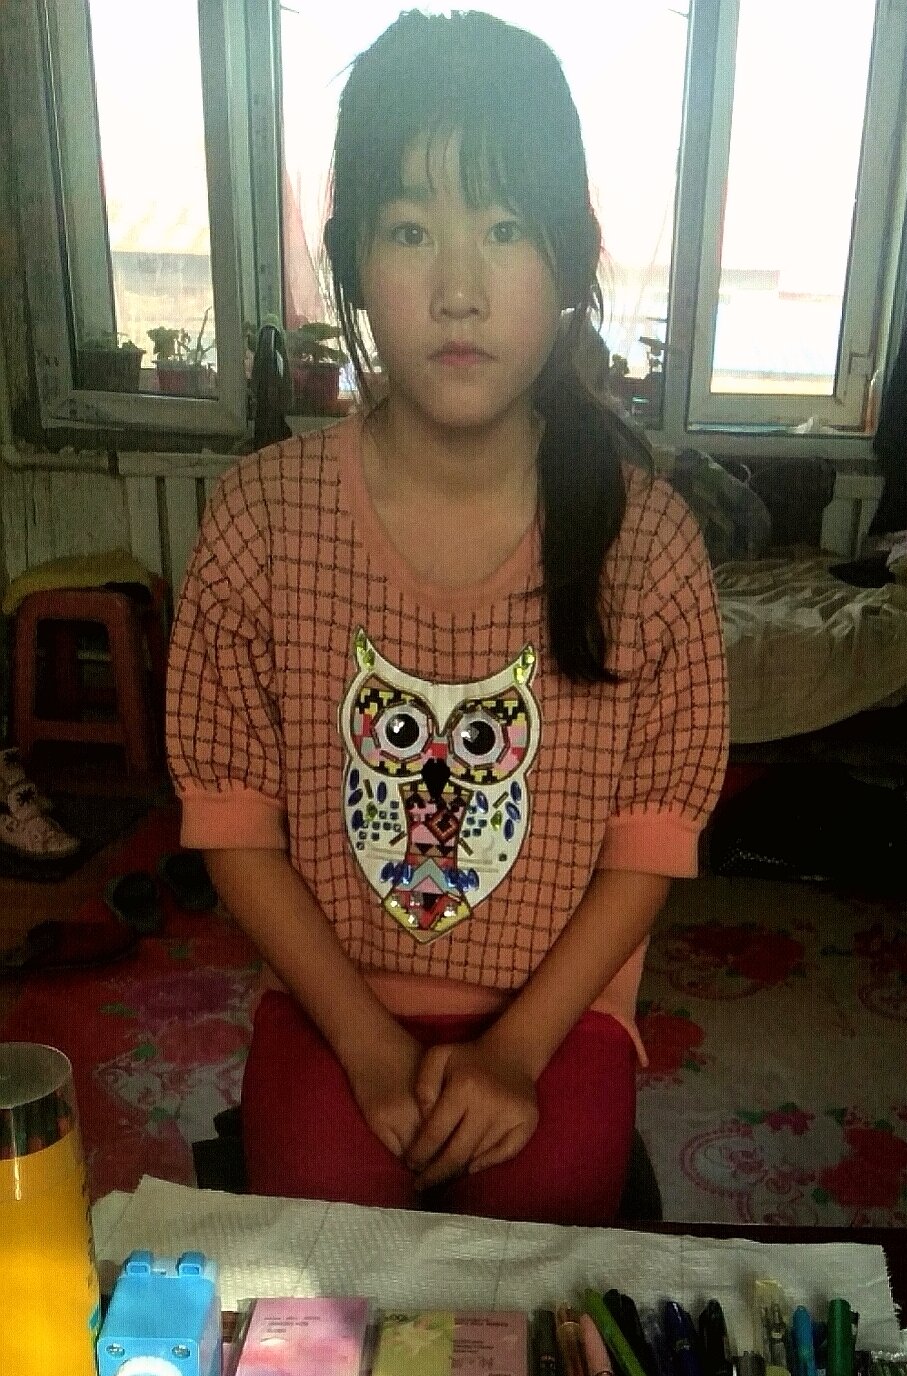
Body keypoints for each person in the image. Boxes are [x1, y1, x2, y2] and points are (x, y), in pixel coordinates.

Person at [165, 9, 728, 1226]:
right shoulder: (260, 521)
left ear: (570, 258)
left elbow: (649, 842)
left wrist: (517, 1051)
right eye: (411, 229)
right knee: (322, 1240)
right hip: (332, 1005)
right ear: (352, 256)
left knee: (543, 1240)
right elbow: (234, 821)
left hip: (557, 1017)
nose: (459, 291)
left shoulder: (650, 545)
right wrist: (368, 1047)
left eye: (506, 228)